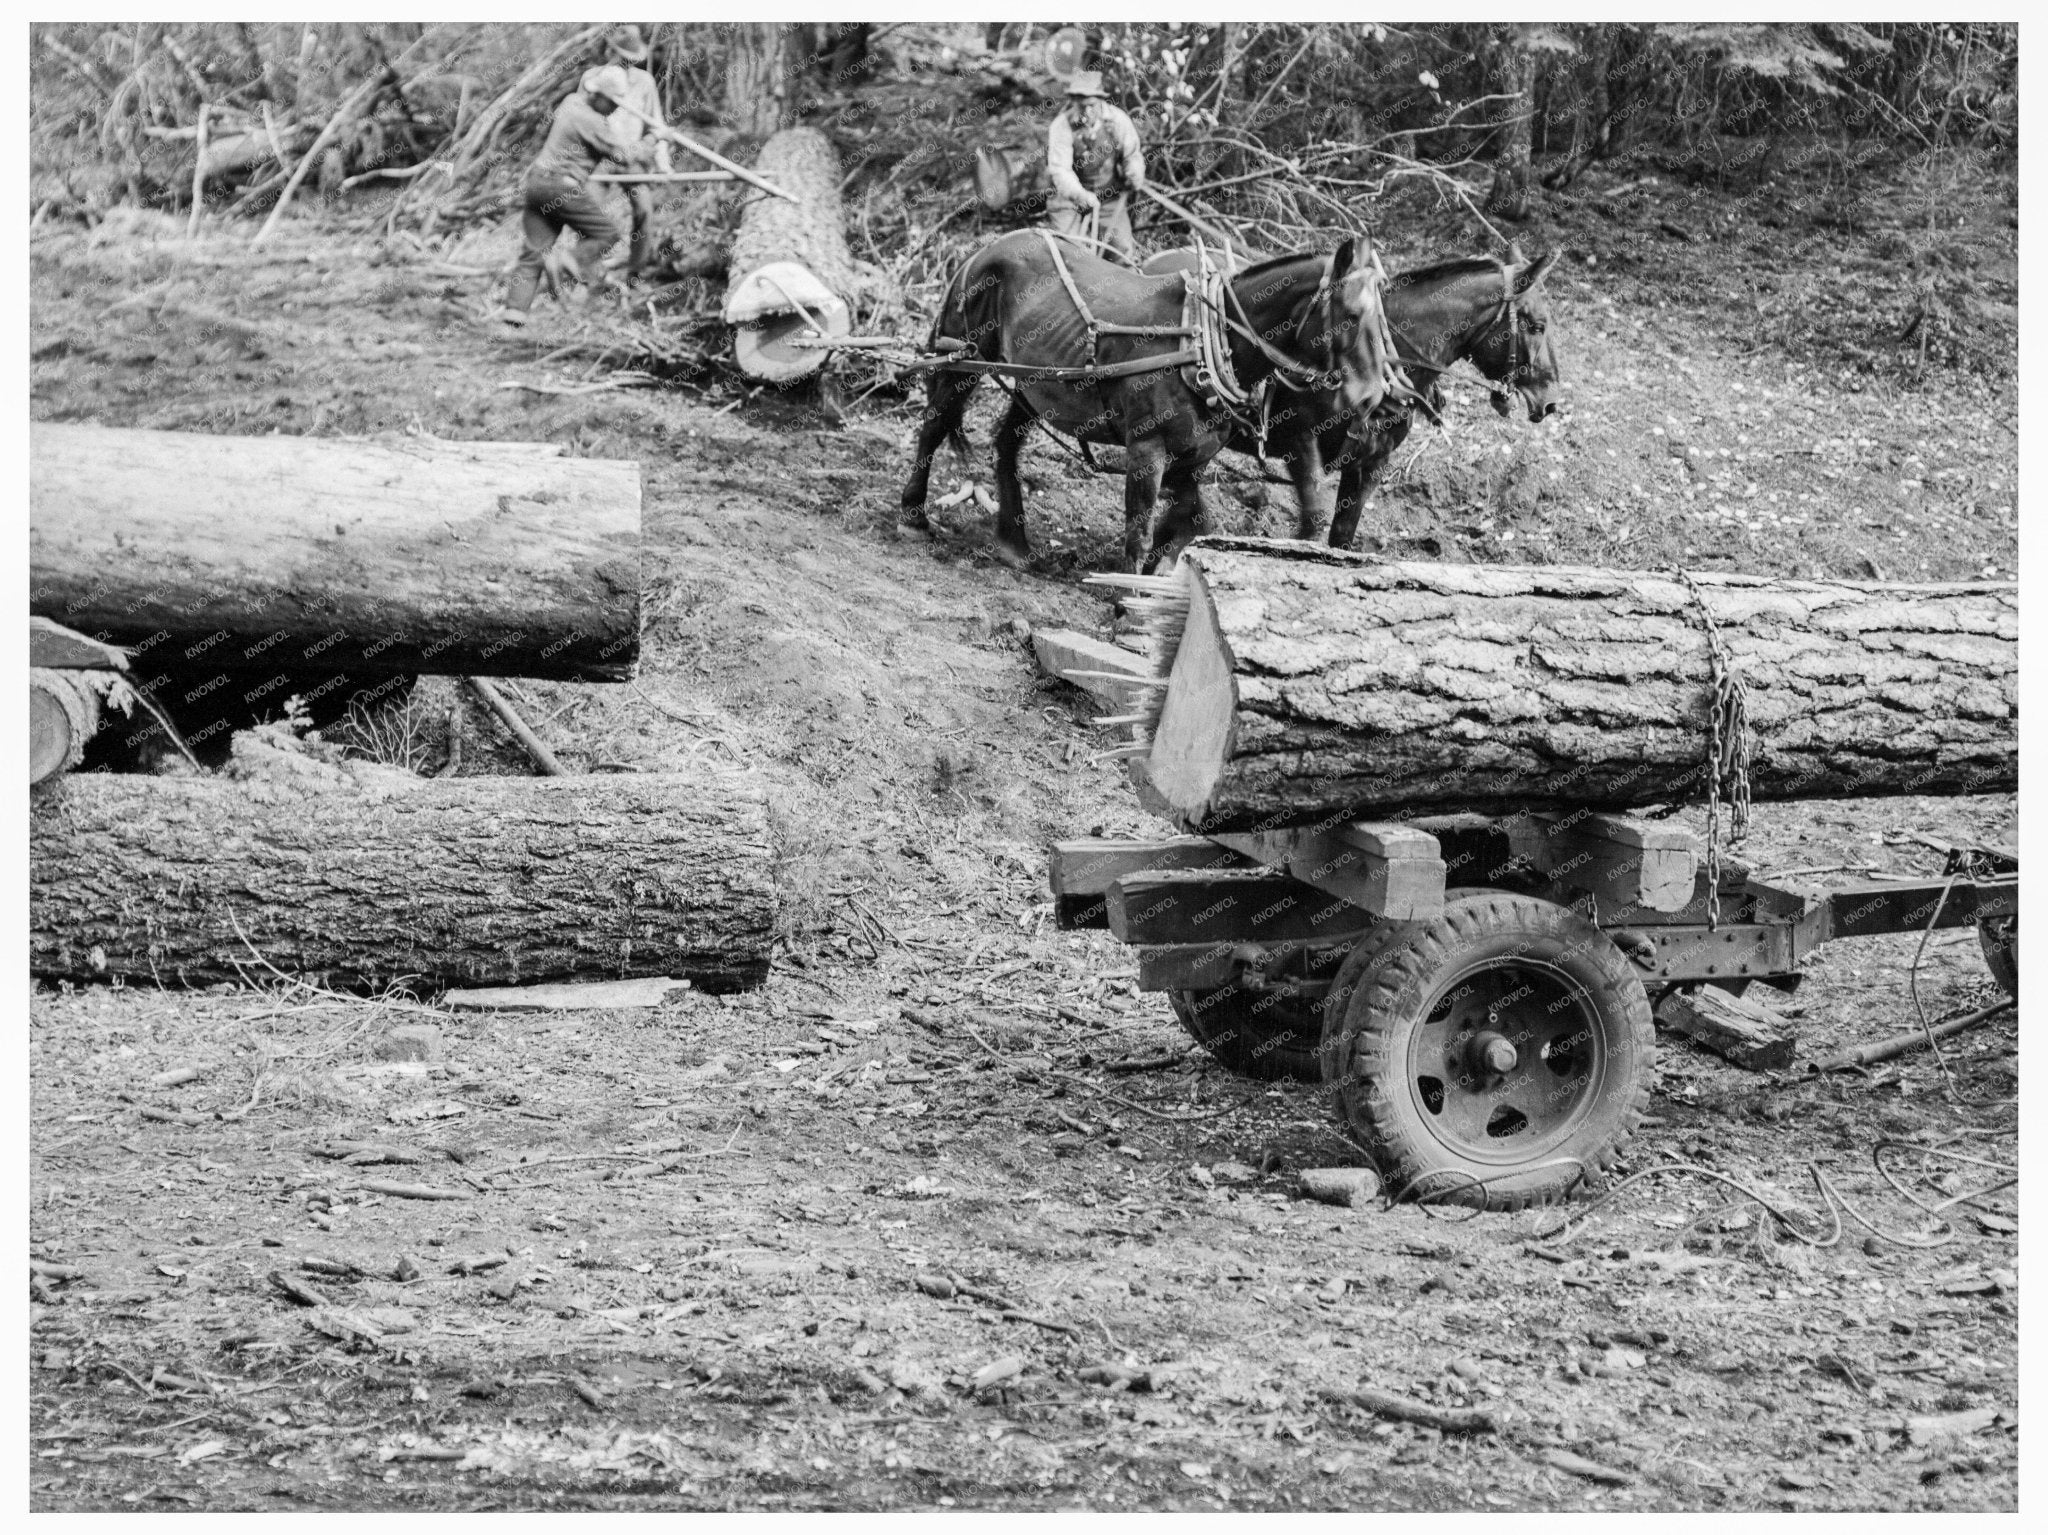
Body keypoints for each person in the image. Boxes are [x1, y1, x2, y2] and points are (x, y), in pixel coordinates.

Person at [501, 65, 632, 324]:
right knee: (608, 234)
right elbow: (624, 156)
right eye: (612, 103)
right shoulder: (592, 120)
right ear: (598, 96)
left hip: (538, 182)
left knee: (533, 252)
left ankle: (513, 316)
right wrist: (656, 139)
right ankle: (565, 260)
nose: (616, 108)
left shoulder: (571, 102)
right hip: (561, 187)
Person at [1045, 71, 1145, 263]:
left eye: (1091, 105)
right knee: (1070, 255)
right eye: (1081, 106)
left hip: (1108, 197)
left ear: (1101, 100)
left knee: (1121, 251)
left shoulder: (1118, 121)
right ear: (1073, 101)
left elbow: (1132, 154)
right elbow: (1060, 170)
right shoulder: (1061, 126)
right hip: (1067, 199)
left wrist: (1134, 174)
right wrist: (1081, 195)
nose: (1087, 112)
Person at [601, 23, 671, 279]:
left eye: (630, 58)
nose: (625, 62)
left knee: (644, 210)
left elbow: (657, 124)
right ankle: (584, 272)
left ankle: (635, 272)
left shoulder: (644, 82)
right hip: (601, 158)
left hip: (632, 159)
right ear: (611, 52)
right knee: (590, 210)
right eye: (621, 57)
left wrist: (663, 163)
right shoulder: (596, 80)